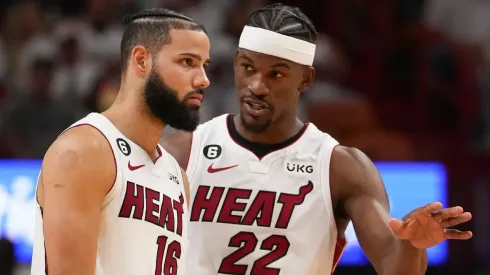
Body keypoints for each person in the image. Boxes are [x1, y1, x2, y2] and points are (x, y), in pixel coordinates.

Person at [161, 4, 472, 275]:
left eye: (276, 75)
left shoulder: (341, 168)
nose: (256, 85)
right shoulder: (182, 151)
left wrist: (411, 245)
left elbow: (395, 266)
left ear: (306, 79)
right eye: (248, 68)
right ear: (235, 63)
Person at [31, 8, 210, 275]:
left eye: (204, 65)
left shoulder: (177, 176)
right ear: (141, 60)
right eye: (187, 62)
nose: (203, 80)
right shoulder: (84, 150)